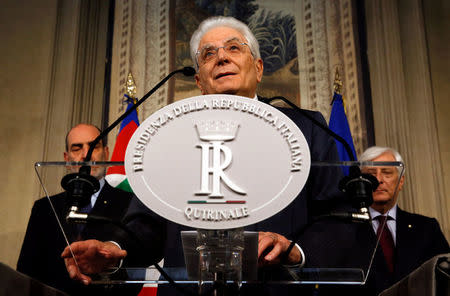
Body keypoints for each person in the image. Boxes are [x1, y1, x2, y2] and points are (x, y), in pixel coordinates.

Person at [61, 16, 344, 293]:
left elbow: (335, 216)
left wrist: (295, 251)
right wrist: (112, 250)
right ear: (199, 80)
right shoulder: (170, 138)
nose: (221, 58)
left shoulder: (307, 129)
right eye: (208, 54)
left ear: (257, 68)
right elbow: (146, 225)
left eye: (234, 48)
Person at [17, 123, 165, 296]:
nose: (86, 154)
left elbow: (138, 265)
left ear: (107, 153)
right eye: (77, 148)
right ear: (66, 158)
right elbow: (27, 271)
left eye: (93, 146)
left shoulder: (130, 202)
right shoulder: (44, 208)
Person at [298, 146, 449, 295]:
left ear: (401, 181)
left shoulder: (427, 228)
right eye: (371, 174)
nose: (379, 180)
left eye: (387, 173)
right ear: (361, 182)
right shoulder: (342, 229)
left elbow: (444, 278)